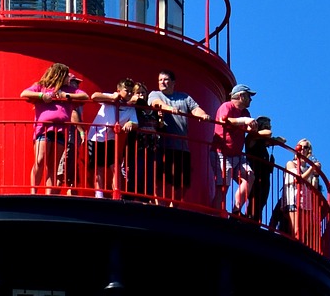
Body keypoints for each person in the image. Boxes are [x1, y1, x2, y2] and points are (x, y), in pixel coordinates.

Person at [20, 63, 87, 194]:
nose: (69, 78)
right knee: (39, 160)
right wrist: (42, 96)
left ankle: (48, 195)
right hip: (43, 129)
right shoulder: (41, 86)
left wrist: (66, 96)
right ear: (59, 75)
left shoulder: (68, 89)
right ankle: (33, 193)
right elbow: (24, 93)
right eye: (66, 75)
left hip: (61, 131)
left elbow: (85, 96)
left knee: (53, 165)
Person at [147, 69, 210, 202]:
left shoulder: (184, 97)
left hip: (182, 147)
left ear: (173, 82)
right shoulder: (155, 94)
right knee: (161, 179)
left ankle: (172, 206)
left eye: (165, 80)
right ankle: (159, 204)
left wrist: (203, 115)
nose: (162, 82)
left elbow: (195, 109)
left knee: (183, 183)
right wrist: (169, 108)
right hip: (163, 145)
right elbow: (156, 103)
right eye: (160, 80)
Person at [84, 79, 145, 197]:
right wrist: (112, 98)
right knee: (99, 166)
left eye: (131, 92)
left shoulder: (130, 107)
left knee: (115, 166)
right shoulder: (111, 97)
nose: (129, 94)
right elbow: (94, 96)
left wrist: (130, 124)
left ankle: (116, 194)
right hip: (96, 136)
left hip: (111, 138)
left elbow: (135, 122)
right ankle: (99, 195)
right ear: (118, 91)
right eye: (126, 91)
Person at [213, 84, 257, 214]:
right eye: (249, 96)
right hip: (222, 153)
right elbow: (224, 120)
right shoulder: (227, 106)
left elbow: (245, 128)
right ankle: (217, 214)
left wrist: (251, 128)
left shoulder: (245, 112)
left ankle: (236, 209)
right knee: (223, 187)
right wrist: (245, 120)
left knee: (250, 176)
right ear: (241, 95)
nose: (251, 99)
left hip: (236, 154)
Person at [284, 138, 330, 248]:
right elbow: (298, 178)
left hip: (306, 203)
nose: (302, 149)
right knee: (296, 231)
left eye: (306, 147)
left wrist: (316, 174)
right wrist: (312, 169)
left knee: (302, 233)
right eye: (301, 146)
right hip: (294, 200)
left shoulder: (307, 168)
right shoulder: (291, 163)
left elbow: (313, 188)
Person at [240, 114, 286, 224]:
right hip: (256, 174)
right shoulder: (251, 137)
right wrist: (271, 138)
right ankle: (250, 221)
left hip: (264, 175)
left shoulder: (261, 141)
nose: (269, 128)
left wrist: (272, 140)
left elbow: (283, 140)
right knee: (255, 199)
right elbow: (268, 134)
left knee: (262, 200)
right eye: (266, 125)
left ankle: (255, 221)